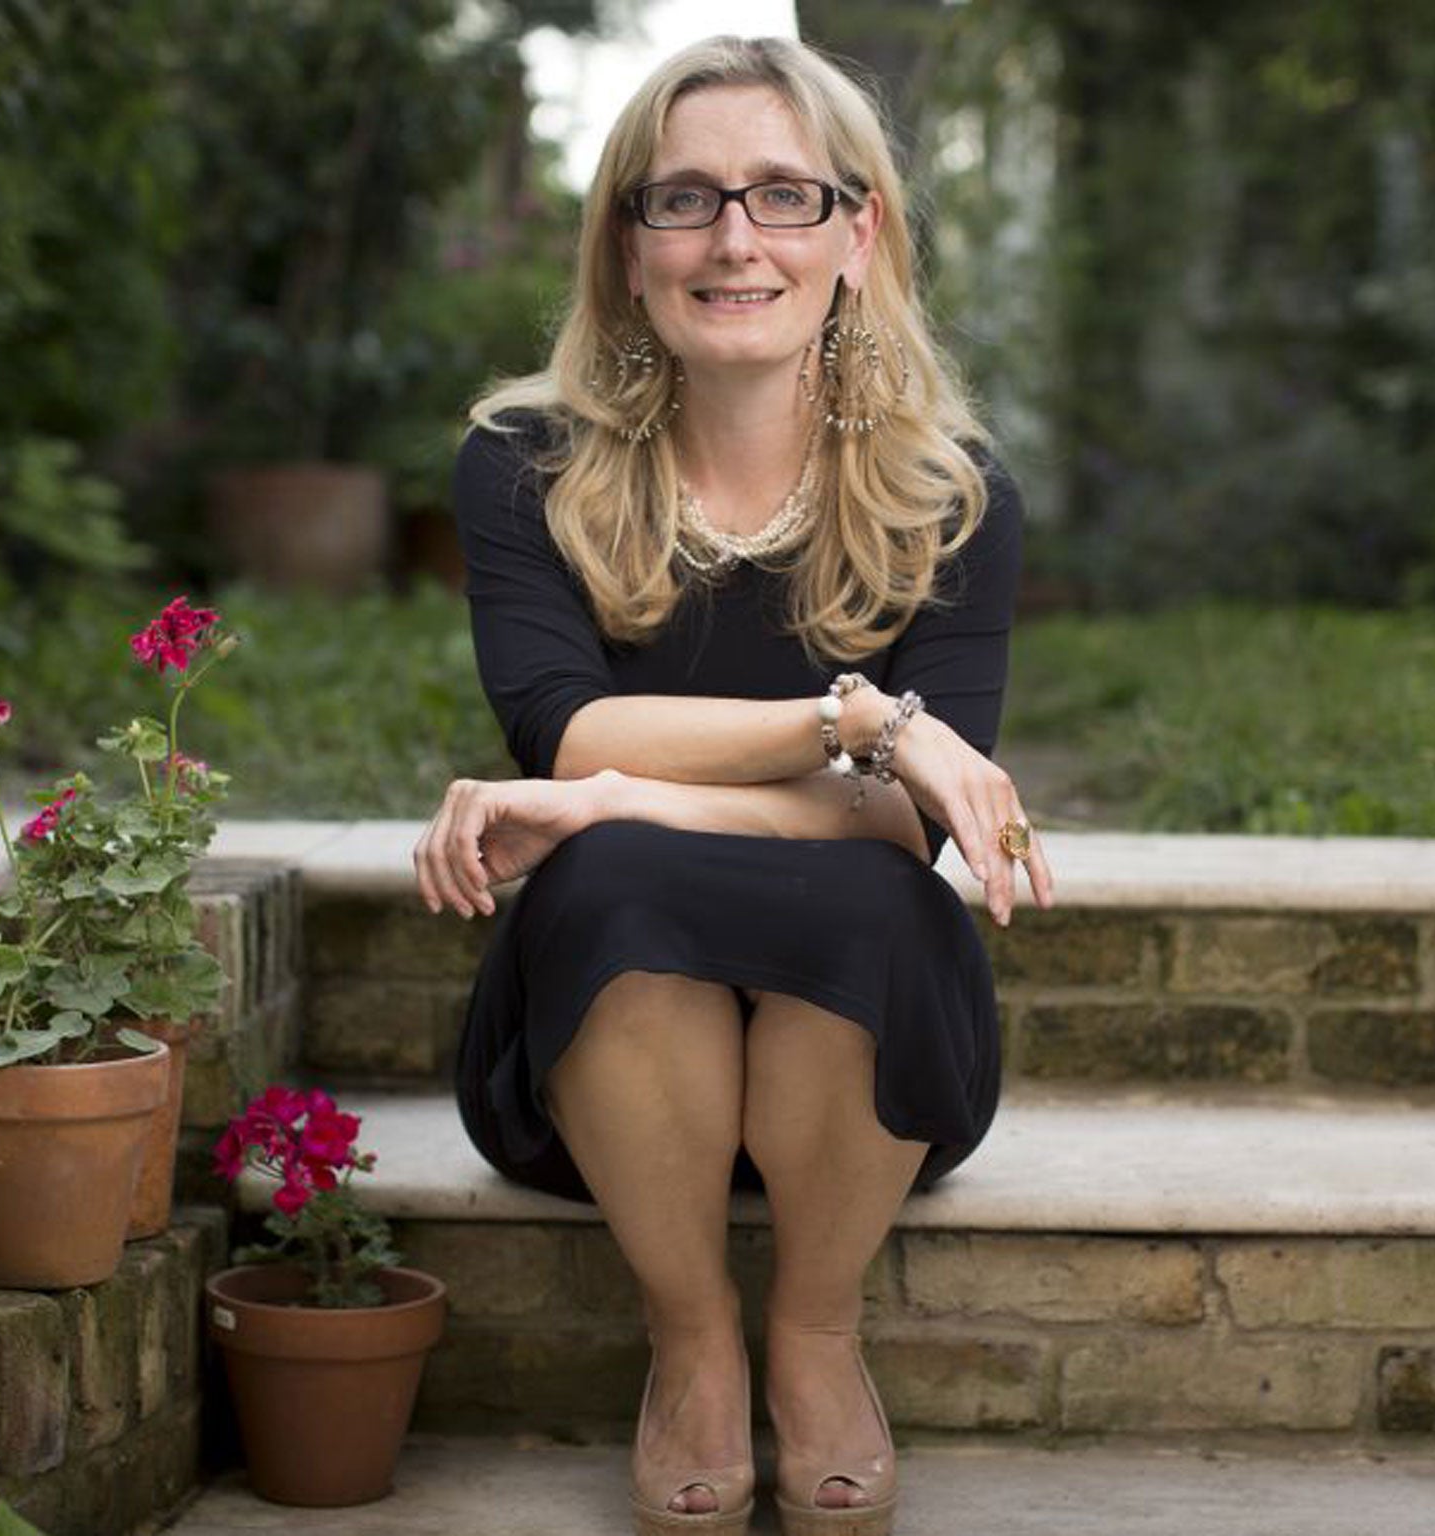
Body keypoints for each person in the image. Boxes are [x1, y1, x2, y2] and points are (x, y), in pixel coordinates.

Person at [412, 34, 1056, 1536]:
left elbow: (909, 833)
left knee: (865, 895)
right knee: (619, 882)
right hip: (602, 1035)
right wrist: (860, 723)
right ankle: (693, 1338)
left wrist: (626, 792)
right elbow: (568, 736)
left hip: (872, 1023)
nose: (735, 241)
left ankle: (816, 1333)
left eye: (783, 195)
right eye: (686, 199)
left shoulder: (954, 497)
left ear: (857, 233)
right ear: (628, 248)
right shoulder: (525, 465)